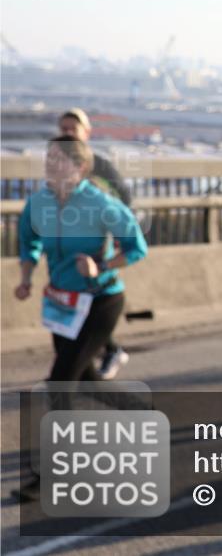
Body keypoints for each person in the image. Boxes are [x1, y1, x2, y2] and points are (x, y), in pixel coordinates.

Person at [13, 136, 148, 502]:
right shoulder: (39, 202)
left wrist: (100, 264)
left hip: (100, 301)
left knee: (60, 382)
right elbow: (29, 242)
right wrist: (26, 277)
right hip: (62, 304)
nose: (50, 164)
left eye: (59, 159)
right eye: (48, 157)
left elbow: (137, 247)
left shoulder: (101, 204)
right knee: (85, 380)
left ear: (80, 168)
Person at [58, 108, 134, 379]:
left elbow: (124, 197)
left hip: (97, 250)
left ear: (86, 133)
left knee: (96, 299)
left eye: (73, 129)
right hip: (67, 250)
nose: (67, 133)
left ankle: (107, 350)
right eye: (63, 128)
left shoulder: (98, 166)